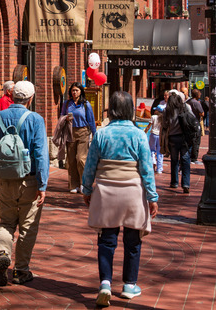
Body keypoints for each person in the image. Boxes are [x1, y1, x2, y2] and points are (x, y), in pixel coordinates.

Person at [81, 91, 158, 306]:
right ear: (130, 109)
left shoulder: (101, 134)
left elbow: (90, 165)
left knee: (107, 240)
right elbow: (146, 170)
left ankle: (105, 283)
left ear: (111, 109)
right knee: (133, 241)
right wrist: (152, 197)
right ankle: (129, 285)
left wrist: (87, 189)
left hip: (106, 191)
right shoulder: (139, 135)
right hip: (133, 191)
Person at [0, 80, 49, 287]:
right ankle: (21, 270)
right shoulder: (36, 119)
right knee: (28, 226)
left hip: (5, 180)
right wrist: (42, 184)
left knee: (7, 221)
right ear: (30, 99)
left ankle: (3, 253)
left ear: (11, 96)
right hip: (29, 179)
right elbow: (40, 154)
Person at [61, 82, 96, 193]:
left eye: (76, 90)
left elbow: (91, 120)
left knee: (81, 158)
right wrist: (65, 119)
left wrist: (95, 134)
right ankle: (73, 185)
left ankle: (83, 183)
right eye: (73, 90)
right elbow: (61, 116)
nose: (74, 92)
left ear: (81, 91)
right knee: (71, 160)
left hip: (83, 132)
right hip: (70, 132)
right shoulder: (67, 104)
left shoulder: (85, 104)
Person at [160, 93, 195, 193]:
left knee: (174, 160)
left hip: (173, 138)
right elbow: (192, 119)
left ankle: (174, 182)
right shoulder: (185, 107)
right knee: (185, 159)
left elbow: (165, 124)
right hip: (184, 138)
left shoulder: (167, 110)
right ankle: (186, 183)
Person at [186, 89, 205, 163]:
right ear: (197, 95)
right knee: (196, 141)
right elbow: (202, 113)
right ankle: (194, 158)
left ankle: (189, 155)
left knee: (189, 140)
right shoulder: (196, 103)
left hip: (188, 123)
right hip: (195, 123)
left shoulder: (188, 102)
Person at [145, 105, 164, 173]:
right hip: (160, 136)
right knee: (160, 152)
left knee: (152, 150)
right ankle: (159, 169)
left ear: (157, 111)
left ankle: (153, 162)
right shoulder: (163, 118)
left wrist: (145, 132)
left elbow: (149, 126)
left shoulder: (153, 117)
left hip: (153, 134)